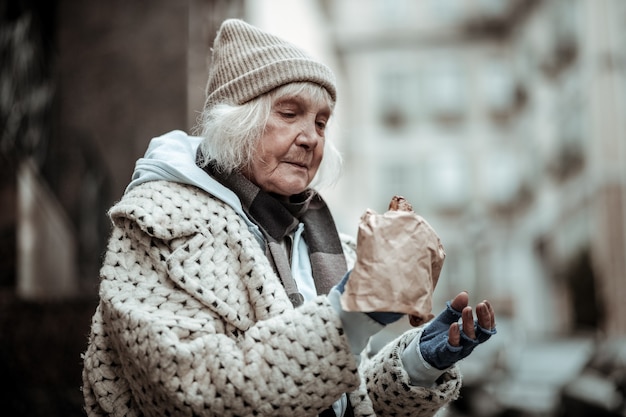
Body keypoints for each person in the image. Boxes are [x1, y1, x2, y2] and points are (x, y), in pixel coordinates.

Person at [81, 18, 496, 417]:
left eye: (321, 122)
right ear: (236, 122)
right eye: (289, 112)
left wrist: (417, 363)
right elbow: (193, 393)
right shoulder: (157, 222)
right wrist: (348, 318)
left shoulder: (319, 238)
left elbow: (334, 399)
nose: (311, 137)